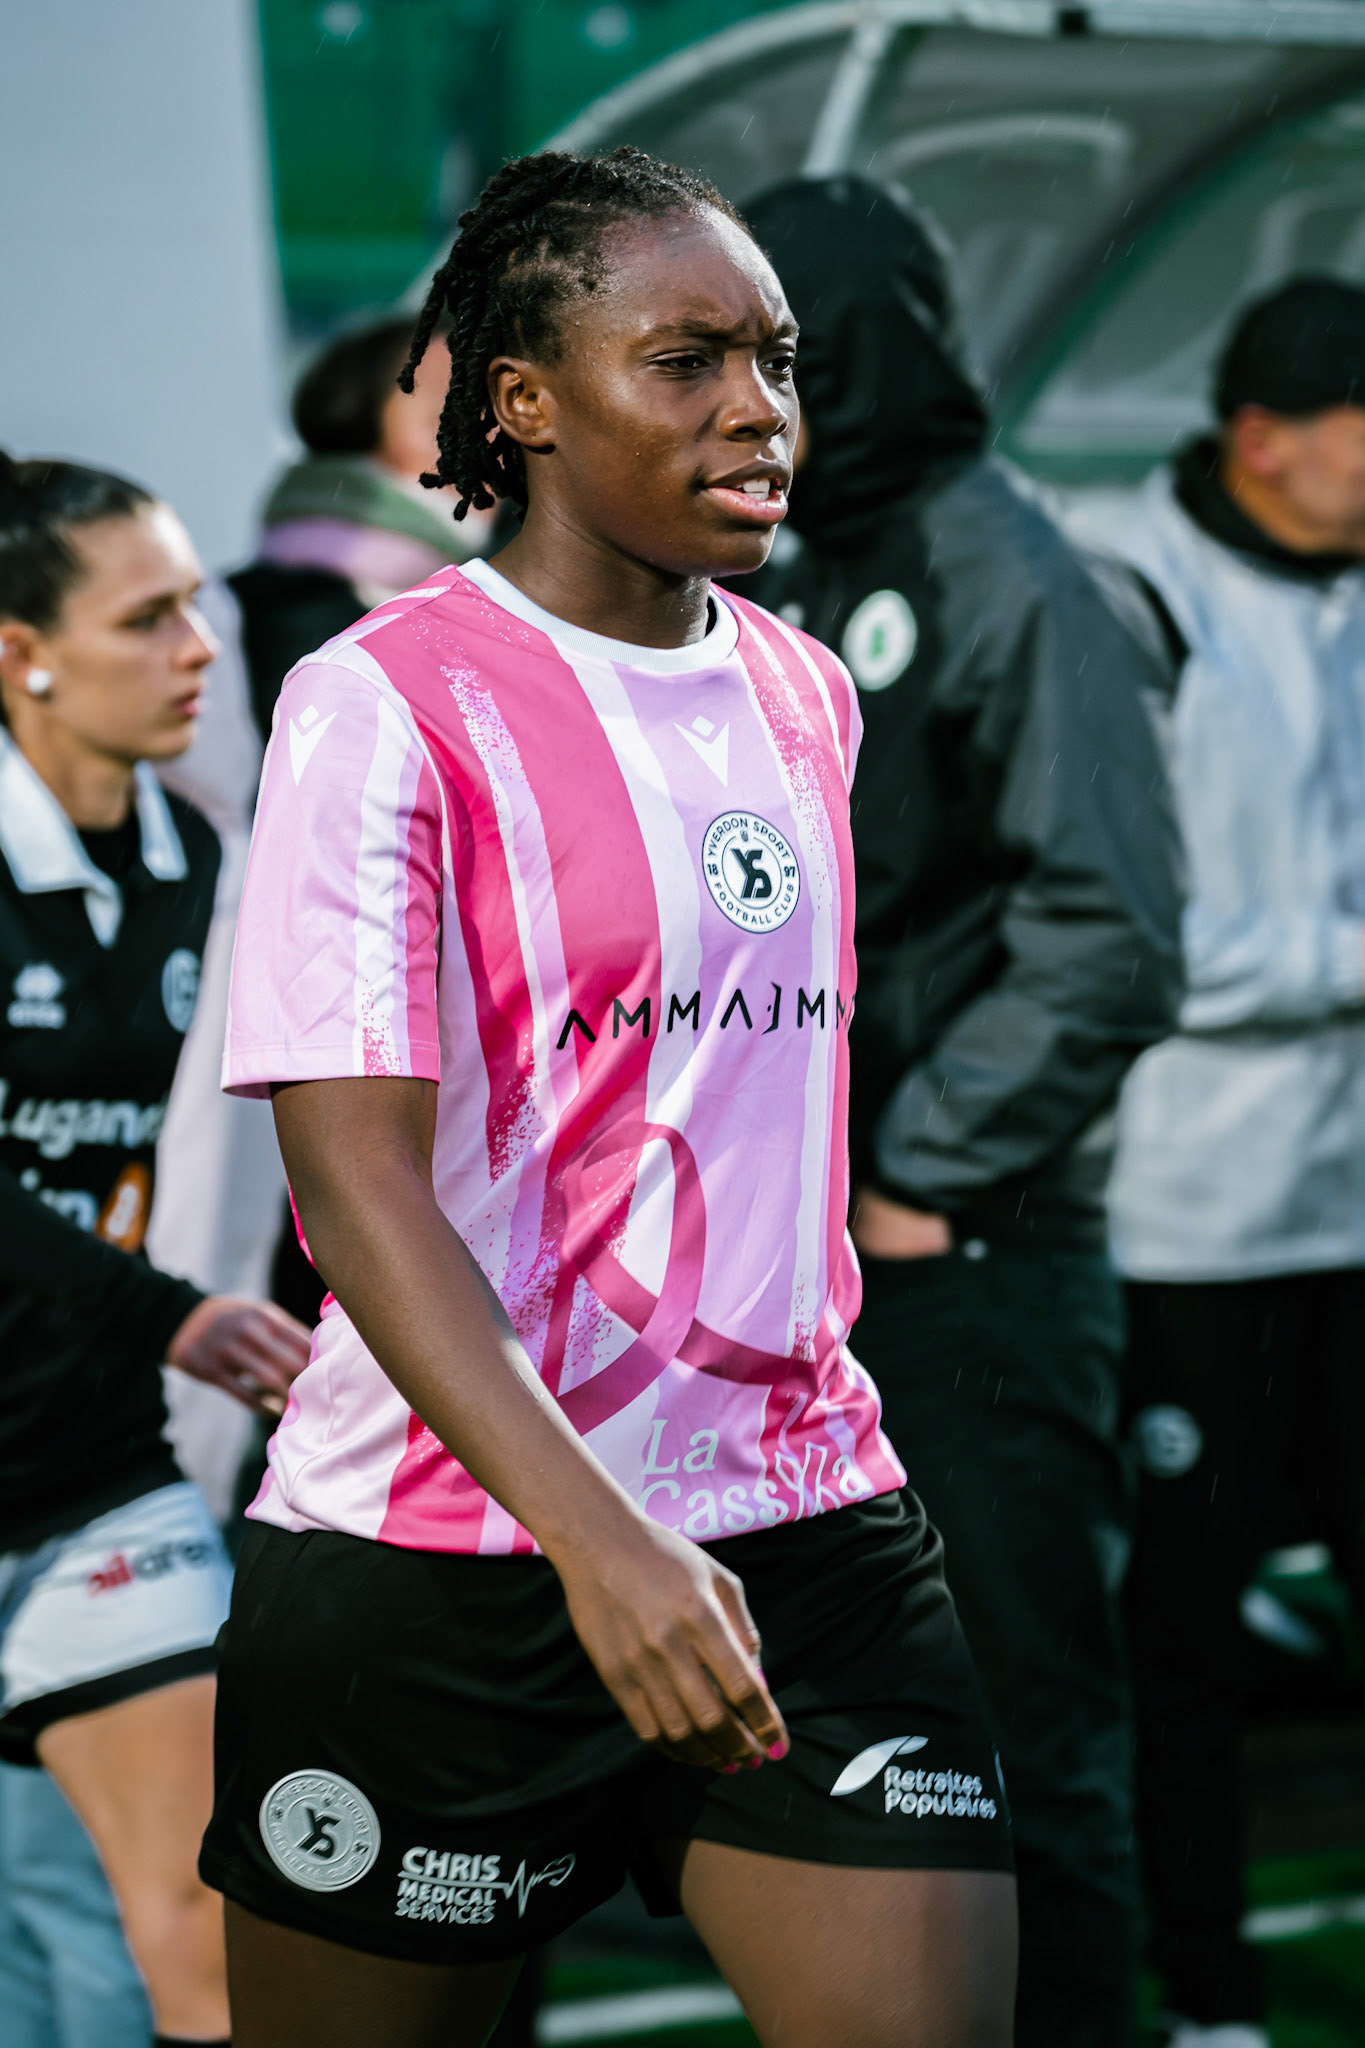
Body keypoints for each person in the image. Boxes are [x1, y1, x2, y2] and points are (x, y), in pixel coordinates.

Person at [199, 146, 1018, 2048]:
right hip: (446, 1561)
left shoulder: (809, 690)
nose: (760, 408)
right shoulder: (380, 698)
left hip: (805, 1524)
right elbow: (357, 1191)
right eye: (688, 359)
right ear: (524, 401)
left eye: (779, 360)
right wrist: (599, 1538)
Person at [741, 177, 1184, 2048]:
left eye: (774, 358)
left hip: (974, 1271)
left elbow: (1116, 932)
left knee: (1020, 1748)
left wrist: (923, 1172)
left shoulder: (1029, 580)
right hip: (803, 1287)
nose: (745, 404)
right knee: (853, 1765)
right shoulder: (783, 566)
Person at [1077, 277, 1365, 2048]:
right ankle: (1208, 1992)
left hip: (1351, 1215)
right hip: (1184, 1232)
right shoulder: (1128, 586)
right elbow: (1139, 934)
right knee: (1176, 1644)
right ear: (1265, 438)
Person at [0, 452, 312, 2048]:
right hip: (119, 1376)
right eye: (150, 617)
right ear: (19, 653)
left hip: (88, 1480)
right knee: (31, 1932)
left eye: (198, 604)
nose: (201, 646)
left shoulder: (201, 864)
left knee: (197, 1927)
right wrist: (172, 1313)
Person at [229, 315, 493, 752]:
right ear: (355, 420)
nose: (493, 440)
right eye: (448, 418)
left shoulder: (470, 592)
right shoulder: (302, 619)